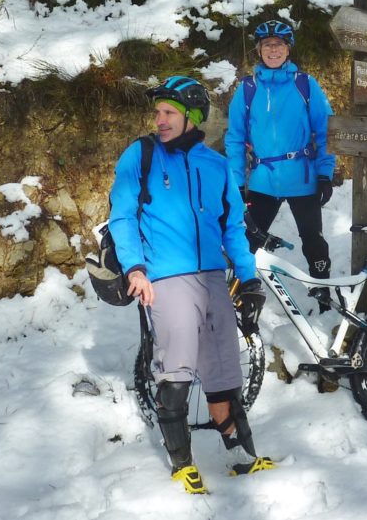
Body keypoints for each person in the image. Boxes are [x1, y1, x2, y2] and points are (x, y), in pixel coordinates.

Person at [108, 75, 274, 494]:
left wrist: (249, 278)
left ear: (192, 117)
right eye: (158, 112)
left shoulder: (216, 165)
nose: (160, 120)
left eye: (169, 112)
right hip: (166, 278)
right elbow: (122, 216)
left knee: (224, 373)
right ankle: (182, 465)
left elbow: (232, 227)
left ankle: (240, 456)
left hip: (213, 278)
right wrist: (135, 269)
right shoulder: (142, 155)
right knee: (176, 371)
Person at [225, 19, 337, 311]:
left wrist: (325, 173)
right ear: (259, 50)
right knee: (247, 242)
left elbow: (326, 131)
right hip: (263, 180)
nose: (273, 50)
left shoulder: (305, 84)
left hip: (302, 176)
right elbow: (235, 138)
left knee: (313, 240)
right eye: (267, 45)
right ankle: (242, 299)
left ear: (288, 49)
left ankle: (323, 297)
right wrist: (237, 182)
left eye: (278, 45)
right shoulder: (248, 88)